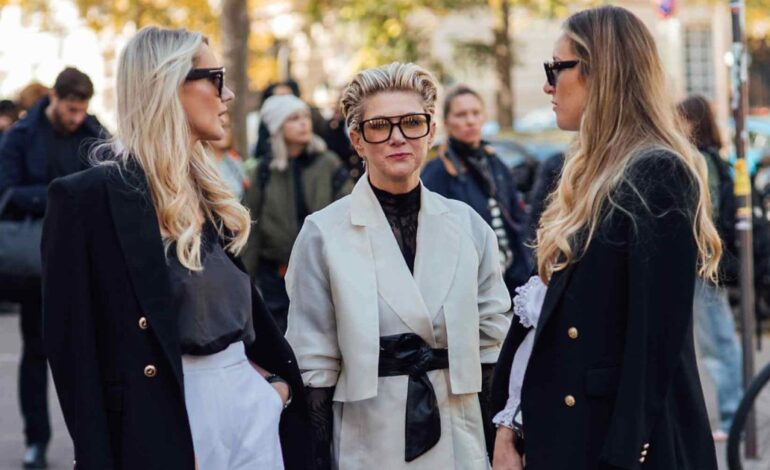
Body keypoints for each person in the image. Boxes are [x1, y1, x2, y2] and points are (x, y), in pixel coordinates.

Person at [41, 27, 310, 470]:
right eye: (216, 78)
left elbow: (245, 325)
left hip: (251, 415)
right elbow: (75, 361)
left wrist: (275, 389)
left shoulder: (211, 193)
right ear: (167, 84)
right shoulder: (87, 199)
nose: (230, 94)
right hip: (164, 426)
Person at [490, 6, 722, 469]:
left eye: (557, 68)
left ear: (604, 72)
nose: (547, 84)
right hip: (564, 435)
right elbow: (544, 328)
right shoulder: (585, 172)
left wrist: (622, 455)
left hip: (616, 447)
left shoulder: (658, 172)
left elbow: (654, 344)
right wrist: (510, 423)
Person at [285, 62, 511, 469]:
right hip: (367, 442)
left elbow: (493, 347)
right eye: (379, 126)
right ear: (357, 139)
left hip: (459, 439)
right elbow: (313, 367)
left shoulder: (469, 227)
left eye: (411, 122)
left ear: (431, 131)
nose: (397, 138)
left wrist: (502, 447)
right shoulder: (322, 234)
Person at [0, 67, 107, 469]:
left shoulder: (95, 134)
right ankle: (36, 441)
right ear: (55, 99)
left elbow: (111, 183)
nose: (76, 117)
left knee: (86, 353)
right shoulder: (21, 136)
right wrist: (63, 195)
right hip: (37, 264)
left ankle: (91, 443)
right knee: (36, 352)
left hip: (83, 260)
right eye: (71, 109)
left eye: (82, 110)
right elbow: (7, 191)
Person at [242, 94, 350, 333]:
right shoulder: (263, 171)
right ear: (278, 127)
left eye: (304, 116)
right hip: (275, 278)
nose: (303, 123)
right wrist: (245, 283)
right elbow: (252, 227)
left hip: (323, 273)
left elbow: (347, 213)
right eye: (293, 119)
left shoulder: (329, 164)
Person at [422, 85, 531, 296]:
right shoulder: (437, 171)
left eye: (475, 113)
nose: (470, 120)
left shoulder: (495, 163)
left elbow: (516, 220)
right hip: (469, 289)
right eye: (461, 115)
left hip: (512, 283)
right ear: (446, 123)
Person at [678, 95, 743, 441]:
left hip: (704, 265)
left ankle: (734, 418)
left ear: (692, 122)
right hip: (707, 263)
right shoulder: (711, 159)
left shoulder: (700, 161)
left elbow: (705, 216)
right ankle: (734, 416)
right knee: (717, 341)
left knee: (718, 343)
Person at [210, 111, 249, 201]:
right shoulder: (200, 163)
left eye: (227, 127)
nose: (224, 132)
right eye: (221, 126)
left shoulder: (235, 161)